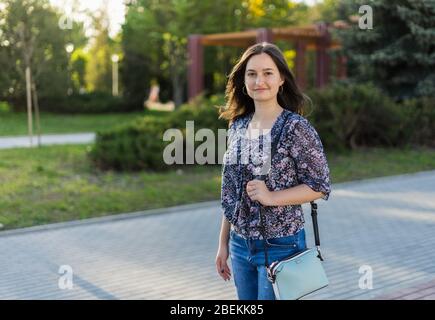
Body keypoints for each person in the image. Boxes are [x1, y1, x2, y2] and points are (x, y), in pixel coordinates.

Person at [216, 42, 331, 300]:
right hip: (239, 243)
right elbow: (231, 194)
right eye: (252, 74)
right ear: (243, 81)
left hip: (281, 244)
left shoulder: (296, 128)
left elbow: (320, 186)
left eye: (268, 73)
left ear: (281, 79)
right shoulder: (238, 125)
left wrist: (271, 197)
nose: (260, 81)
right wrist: (223, 244)